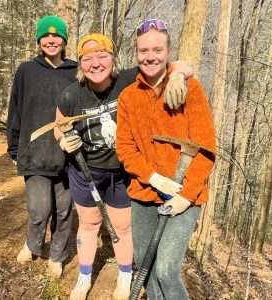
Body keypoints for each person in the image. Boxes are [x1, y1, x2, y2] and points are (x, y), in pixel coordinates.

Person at [54, 33, 193, 300]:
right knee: (89, 223)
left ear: (113, 59)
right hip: (86, 171)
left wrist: (177, 77)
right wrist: (63, 141)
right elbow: (58, 125)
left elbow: (181, 66)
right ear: (81, 64)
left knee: (123, 226)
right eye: (88, 58)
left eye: (102, 56)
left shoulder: (128, 79)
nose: (96, 63)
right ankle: (84, 279)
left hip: (122, 170)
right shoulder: (72, 95)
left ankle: (125, 276)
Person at [116, 19, 216, 300]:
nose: (150, 57)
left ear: (169, 51)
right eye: (144, 50)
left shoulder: (190, 90)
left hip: (186, 197)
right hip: (144, 193)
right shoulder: (128, 96)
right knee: (146, 269)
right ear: (136, 53)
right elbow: (124, 147)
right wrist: (151, 176)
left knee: (167, 270)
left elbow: (206, 148)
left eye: (157, 50)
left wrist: (187, 194)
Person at [6, 15, 78, 279]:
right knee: (39, 209)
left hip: (69, 155)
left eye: (56, 35)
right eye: (46, 36)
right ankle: (32, 243)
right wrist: (14, 147)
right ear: (39, 40)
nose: (51, 40)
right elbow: (16, 109)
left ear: (64, 40)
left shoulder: (76, 72)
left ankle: (57, 255)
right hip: (34, 152)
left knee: (63, 210)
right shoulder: (26, 70)